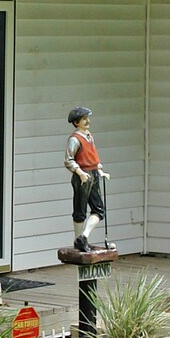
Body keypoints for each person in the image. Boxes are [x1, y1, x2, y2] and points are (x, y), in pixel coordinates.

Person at [63, 106, 109, 252]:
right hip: (82, 176)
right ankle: (79, 241)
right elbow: (68, 160)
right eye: (84, 119)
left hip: (93, 174)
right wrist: (80, 173)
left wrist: (100, 171)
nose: (87, 121)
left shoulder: (89, 136)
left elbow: (92, 156)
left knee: (99, 210)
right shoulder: (74, 140)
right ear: (77, 122)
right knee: (80, 210)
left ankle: (83, 236)